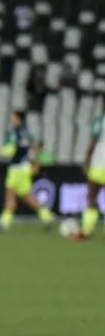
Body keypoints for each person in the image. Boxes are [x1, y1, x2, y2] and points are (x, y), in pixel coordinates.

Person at [0, 109, 55, 231]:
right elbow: (36, 149)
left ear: (18, 119)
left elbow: (11, 150)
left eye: (13, 117)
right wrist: (36, 165)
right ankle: (47, 217)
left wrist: (2, 152)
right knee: (28, 197)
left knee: (10, 195)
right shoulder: (27, 133)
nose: (11, 119)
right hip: (25, 168)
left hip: (16, 169)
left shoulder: (14, 133)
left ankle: (4, 223)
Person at [71, 100, 105, 241]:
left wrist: (87, 160)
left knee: (92, 196)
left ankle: (86, 231)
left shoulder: (100, 121)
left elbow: (93, 142)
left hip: (99, 163)